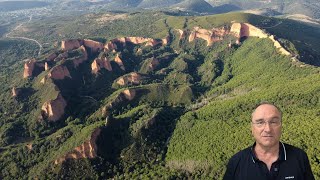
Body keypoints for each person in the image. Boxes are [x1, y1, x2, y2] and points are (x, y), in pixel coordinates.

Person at [223, 102, 315, 180]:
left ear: (281, 125)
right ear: (252, 128)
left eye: (273, 122)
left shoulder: (299, 157)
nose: (267, 129)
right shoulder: (236, 162)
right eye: (260, 122)